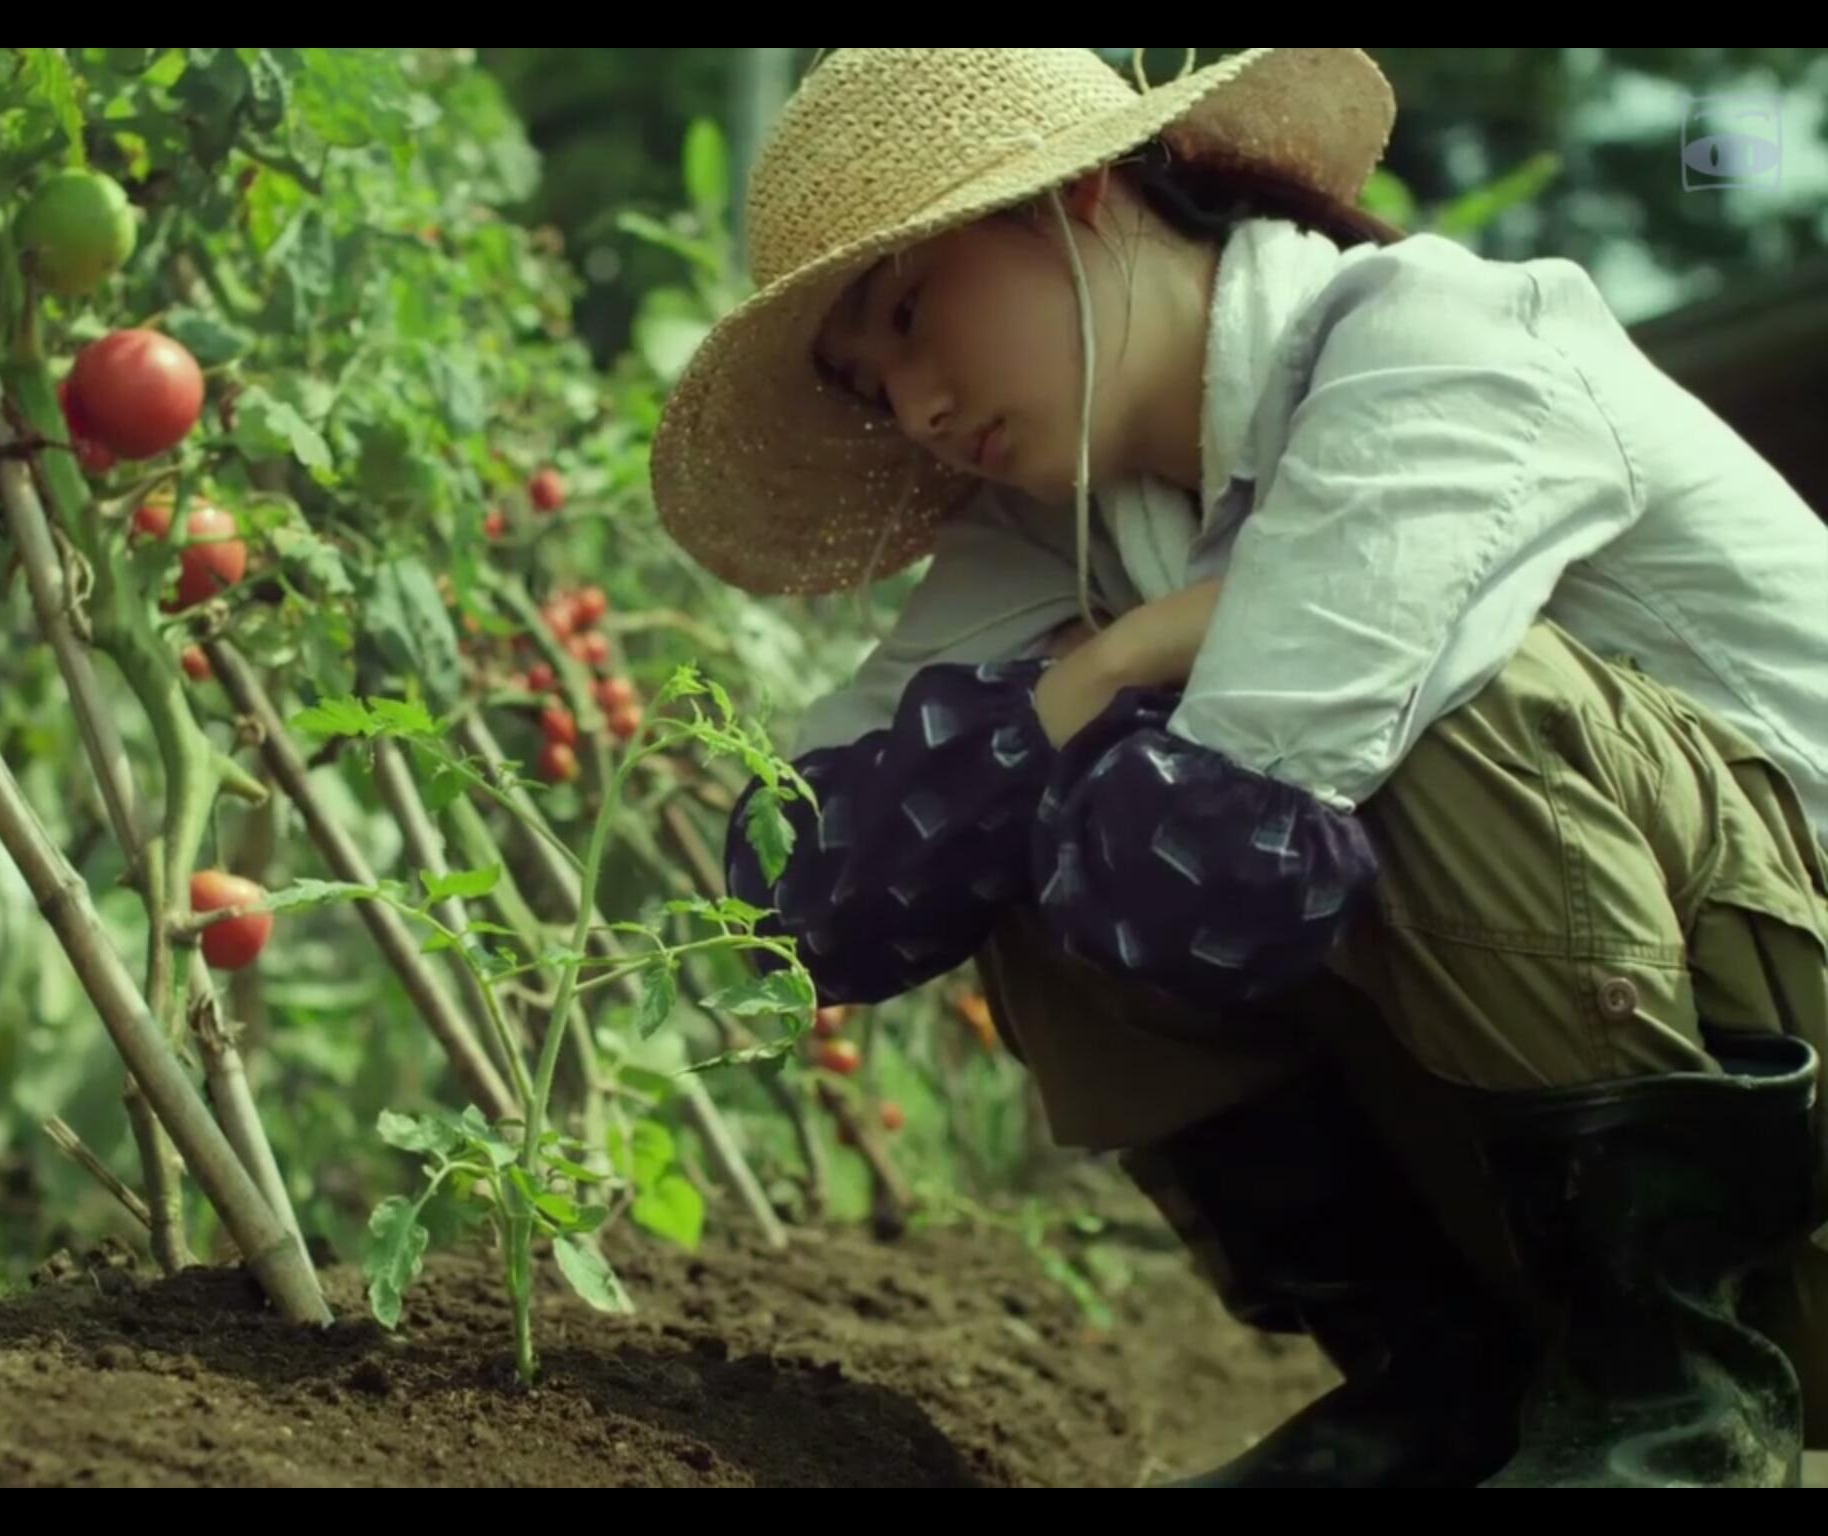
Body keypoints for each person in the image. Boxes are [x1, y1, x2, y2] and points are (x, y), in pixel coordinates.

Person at [651, 47, 1828, 1488]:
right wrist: (1102, 663)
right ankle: (1454, 1386)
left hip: (1792, 1120)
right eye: (866, 379)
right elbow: (801, 883)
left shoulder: (1438, 346)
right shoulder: (1064, 529)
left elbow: (1224, 843)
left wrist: (1108, 691)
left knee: (1437, 703)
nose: (912, 403)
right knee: (1007, 793)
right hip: (1581, 1186)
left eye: (908, 315)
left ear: (1076, 196)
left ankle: (1674, 1408)